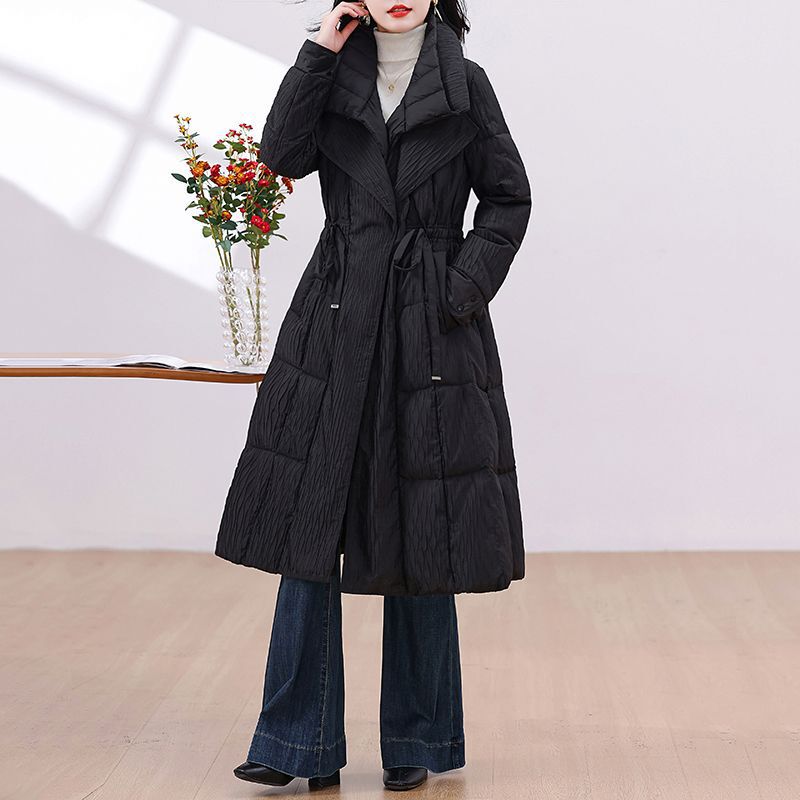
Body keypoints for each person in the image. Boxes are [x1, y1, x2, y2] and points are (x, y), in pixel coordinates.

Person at [216, 0, 532, 791]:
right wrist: (320, 51)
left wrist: (459, 288)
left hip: (429, 328)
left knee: (423, 533)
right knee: (311, 528)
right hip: (336, 317)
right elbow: (281, 155)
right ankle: (295, 743)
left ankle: (418, 741)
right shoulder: (331, 78)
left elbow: (509, 199)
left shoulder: (466, 85)